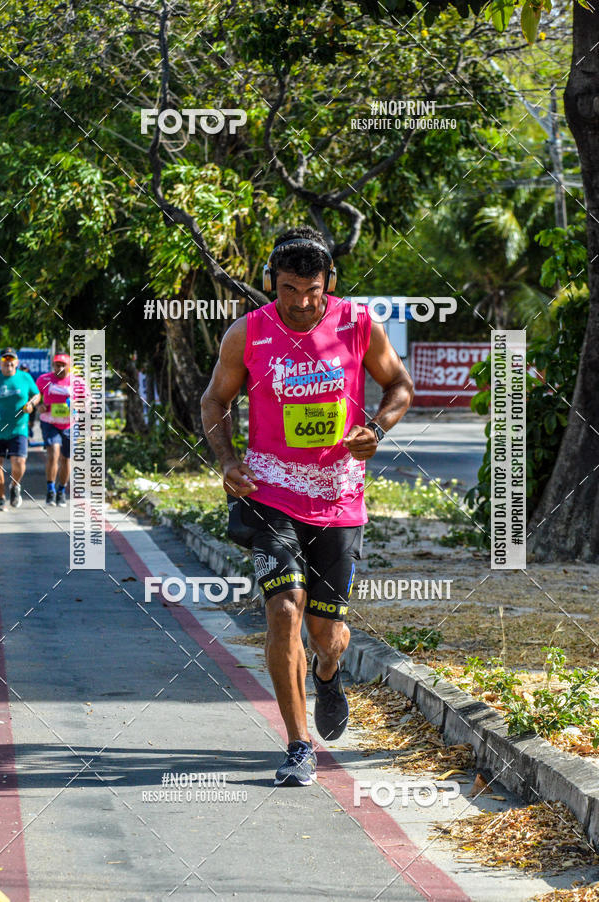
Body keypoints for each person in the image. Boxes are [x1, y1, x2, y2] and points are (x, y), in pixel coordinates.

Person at [201, 226, 414, 786]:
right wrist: (227, 462)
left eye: (312, 290)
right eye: (288, 288)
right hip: (269, 493)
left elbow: (399, 387)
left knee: (326, 635)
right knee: (283, 611)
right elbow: (215, 400)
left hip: (339, 498)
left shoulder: (358, 325)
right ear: (272, 282)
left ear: (330, 284)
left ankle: (326, 672)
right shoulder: (247, 333)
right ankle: (298, 745)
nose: (299, 302)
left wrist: (377, 427)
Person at [0, 348, 41, 509]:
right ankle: (1, 497)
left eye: (11, 359)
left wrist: (31, 403)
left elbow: (36, 394)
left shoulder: (25, 377)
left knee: (19, 461)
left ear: (16, 362)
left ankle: (15, 486)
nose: (8, 362)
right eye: (5, 359)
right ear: (0, 362)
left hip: (19, 428)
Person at [37, 352, 72, 506]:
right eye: (57, 365)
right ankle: (50, 490)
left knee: (66, 459)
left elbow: (90, 401)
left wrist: (80, 406)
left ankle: (61, 491)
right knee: (53, 453)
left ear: (69, 366)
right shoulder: (44, 379)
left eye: (63, 365)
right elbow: (35, 396)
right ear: (53, 366)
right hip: (49, 422)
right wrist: (39, 406)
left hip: (69, 424)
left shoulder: (76, 382)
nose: (60, 368)